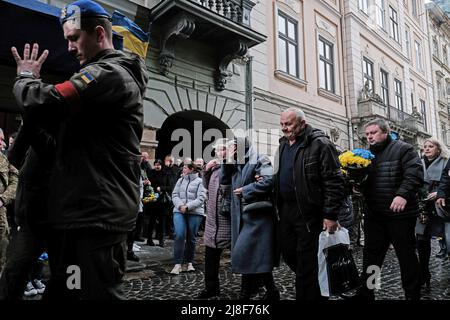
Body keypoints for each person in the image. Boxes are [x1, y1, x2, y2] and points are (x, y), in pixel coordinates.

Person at [10, 0, 148, 299]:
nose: (70, 48)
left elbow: (49, 100)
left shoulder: (108, 75)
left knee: (94, 293)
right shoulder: (98, 81)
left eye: (74, 38)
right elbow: (59, 147)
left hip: (95, 219)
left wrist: (25, 78)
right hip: (79, 215)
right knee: (67, 291)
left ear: (99, 34)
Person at [274, 108, 343, 300]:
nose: (284, 128)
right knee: (288, 253)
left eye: (288, 124)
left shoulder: (320, 144)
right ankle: (314, 283)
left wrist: (330, 215)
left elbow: (334, 181)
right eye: (282, 124)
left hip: (310, 212)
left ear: (302, 124)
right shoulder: (282, 145)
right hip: (287, 210)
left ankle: (310, 295)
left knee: (307, 260)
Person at [358, 118, 423, 300]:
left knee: (406, 256)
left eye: (373, 133)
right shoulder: (366, 155)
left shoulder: (404, 149)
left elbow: (415, 174)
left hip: (399, 215)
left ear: (385, 132)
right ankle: (367, 293)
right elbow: (366, 182)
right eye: (368, 134)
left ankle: (412, 294)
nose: (369, 137)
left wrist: (402, 194)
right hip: (375, 215)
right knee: (372, 257)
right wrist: (357, 184)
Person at [222, 137, 279, 300]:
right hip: (240, 216)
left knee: (245, 253)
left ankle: (245, 294)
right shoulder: (235, 163)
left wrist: (246, 189)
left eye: (233, 147)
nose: (231, 149)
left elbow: (269, 181)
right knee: (256, 256)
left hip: (257, 217)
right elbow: (224, 181)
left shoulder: (261, 159)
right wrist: (227, 160)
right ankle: (272, 291)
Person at [196, 139, 231, 299]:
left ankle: (253, 285)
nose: (219, 152)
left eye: (223, 149)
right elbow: (205, 186)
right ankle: (211, 288)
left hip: (227, 222)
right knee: (210, 258)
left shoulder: (232, 167)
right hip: (212, 221)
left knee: (241, 256)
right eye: (217, 150)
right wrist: (206, 171)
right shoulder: (215, 169)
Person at [415, 138, 448, 289]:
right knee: (422, 240)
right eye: (425, 147)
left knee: (447, 240)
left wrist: (439, 193)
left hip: (442, 206)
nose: (426, 149)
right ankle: (423, 273)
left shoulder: (445, 162)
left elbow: (446, 181)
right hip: (423, 206)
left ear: (438, 149)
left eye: (430, 146)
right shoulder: (418, 162)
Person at [170, 163, 207, 275]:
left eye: (185, 167)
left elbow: (201, 198)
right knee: (179, 234)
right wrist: (181, 206)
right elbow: (174, 195)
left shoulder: (200, 181)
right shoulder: (180, 180)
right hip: (179, 210)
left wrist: (188, 206)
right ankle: (177, 264)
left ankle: (189, 262)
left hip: (195, 212)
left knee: (191, 236)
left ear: (191, 169)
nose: (183, 169)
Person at [146, 159, 166, 247]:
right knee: (152, 220)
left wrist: (161, 188)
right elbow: (149, 184)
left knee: (162, 221)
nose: (157, 166)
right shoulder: (151, 173)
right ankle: (149, 239)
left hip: (162, 201)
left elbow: (169, 185)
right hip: (152, 200)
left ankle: (161, 240)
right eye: (156, 164)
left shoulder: (165, 174)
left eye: (159, 165)